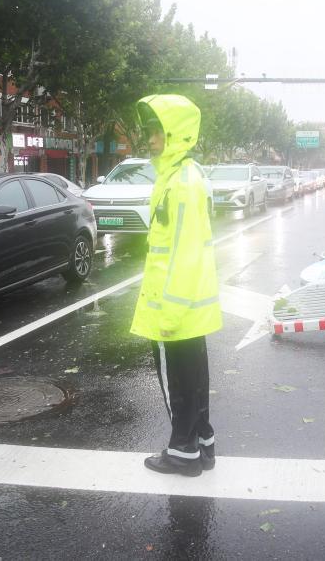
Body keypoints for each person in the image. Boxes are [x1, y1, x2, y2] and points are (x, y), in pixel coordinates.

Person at [130, 94, 222, 477]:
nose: (149, 140)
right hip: (189, 305)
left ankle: (183, 453)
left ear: (176, 135)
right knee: (194, 378)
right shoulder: (182, 176)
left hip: (179, 306)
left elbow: (184, 255)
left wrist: (169, 311)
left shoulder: (181, 184)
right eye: (149, 132)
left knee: (183, 382)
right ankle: (202, 444)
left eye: (156, 132)